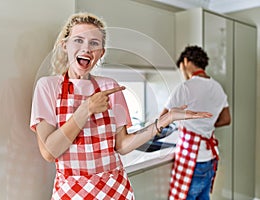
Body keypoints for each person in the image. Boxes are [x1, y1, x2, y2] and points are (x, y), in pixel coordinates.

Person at [30, 13, 213, 200]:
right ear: (65, 45)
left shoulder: (110, 86)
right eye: (78, 40)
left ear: (101, 52)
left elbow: (123, 145)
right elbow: (49, 152)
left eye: (94, 43)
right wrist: (86, 109)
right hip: (72, 193)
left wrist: (166, 119)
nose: (86, 48)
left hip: (115, 190)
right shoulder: (48, 87)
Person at [161, 45, 231, 200]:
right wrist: (206, 124)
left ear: (185, 62)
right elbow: (226, 119)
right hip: (209, 158)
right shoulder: (218, 88)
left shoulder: (185, 87)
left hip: (192, 160)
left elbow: (162, 121)